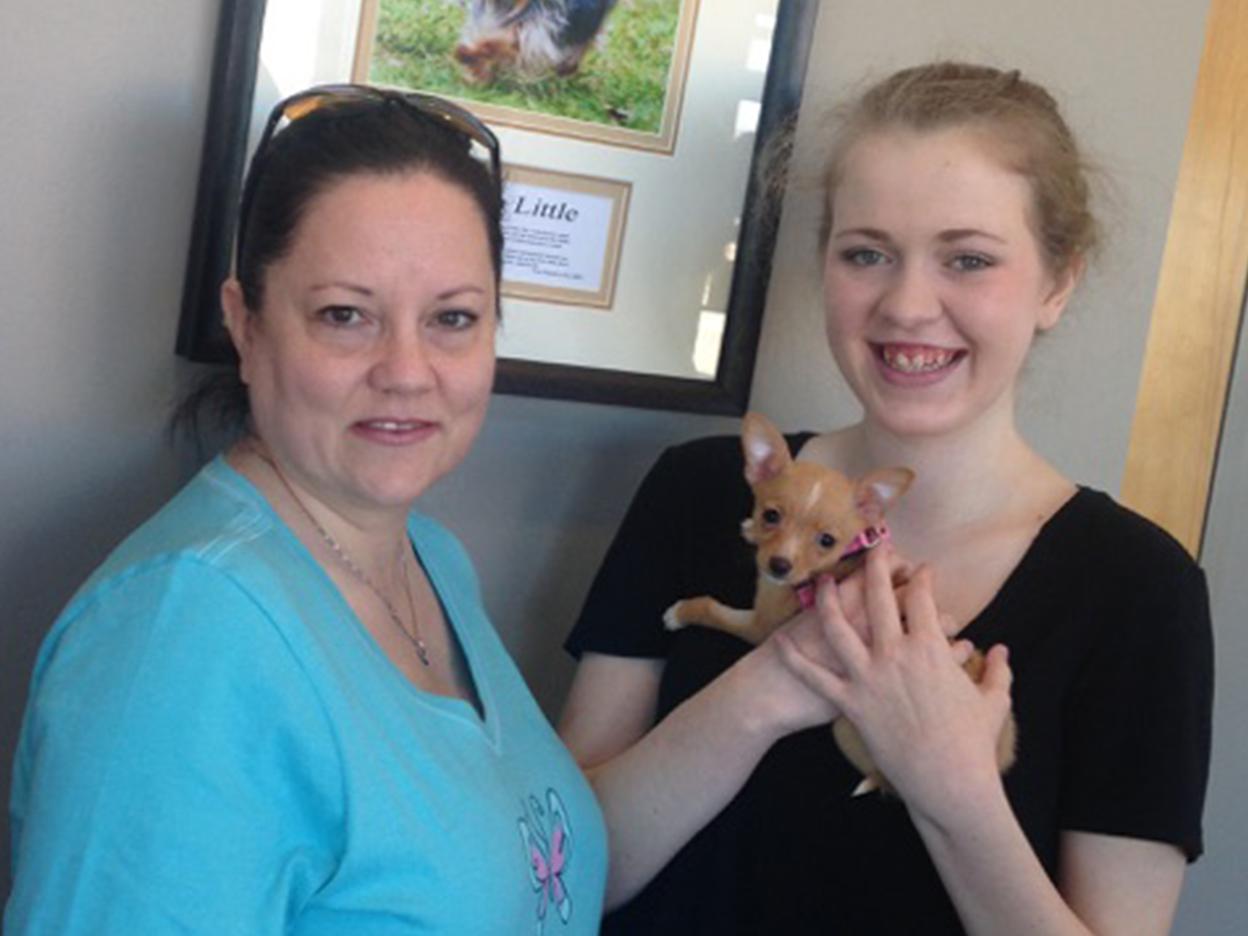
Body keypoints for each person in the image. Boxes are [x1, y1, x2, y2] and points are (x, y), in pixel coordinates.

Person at [559, 62, 1213, 934]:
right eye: (866, 253)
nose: (907, 305)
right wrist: (766, 688)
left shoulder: (1137, 588)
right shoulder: (696, 490)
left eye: (968, 259)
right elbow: (559, 877)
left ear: (1058, 284)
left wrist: (952, 787)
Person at [5, 85, 611, 934]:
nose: (407, 370)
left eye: (453, 318)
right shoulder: (184, 632)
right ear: (246, 325)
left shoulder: (434, 561)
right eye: (345, 315)